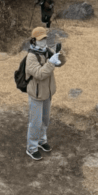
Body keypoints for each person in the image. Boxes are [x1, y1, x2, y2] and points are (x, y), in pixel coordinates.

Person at [24, 25, 66, 160]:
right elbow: (40, 74)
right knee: (35, 122)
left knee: (45, 119)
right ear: (34, 40)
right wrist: (51, 63)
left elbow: (60, 63)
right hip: (36, 95)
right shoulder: (31, 56)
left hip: (47, 93)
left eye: (44, 39)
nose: (43, 42)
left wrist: (59, 53)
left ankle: (42, 140)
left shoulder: (46, 51)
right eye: (40, 39)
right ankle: (31, 148)